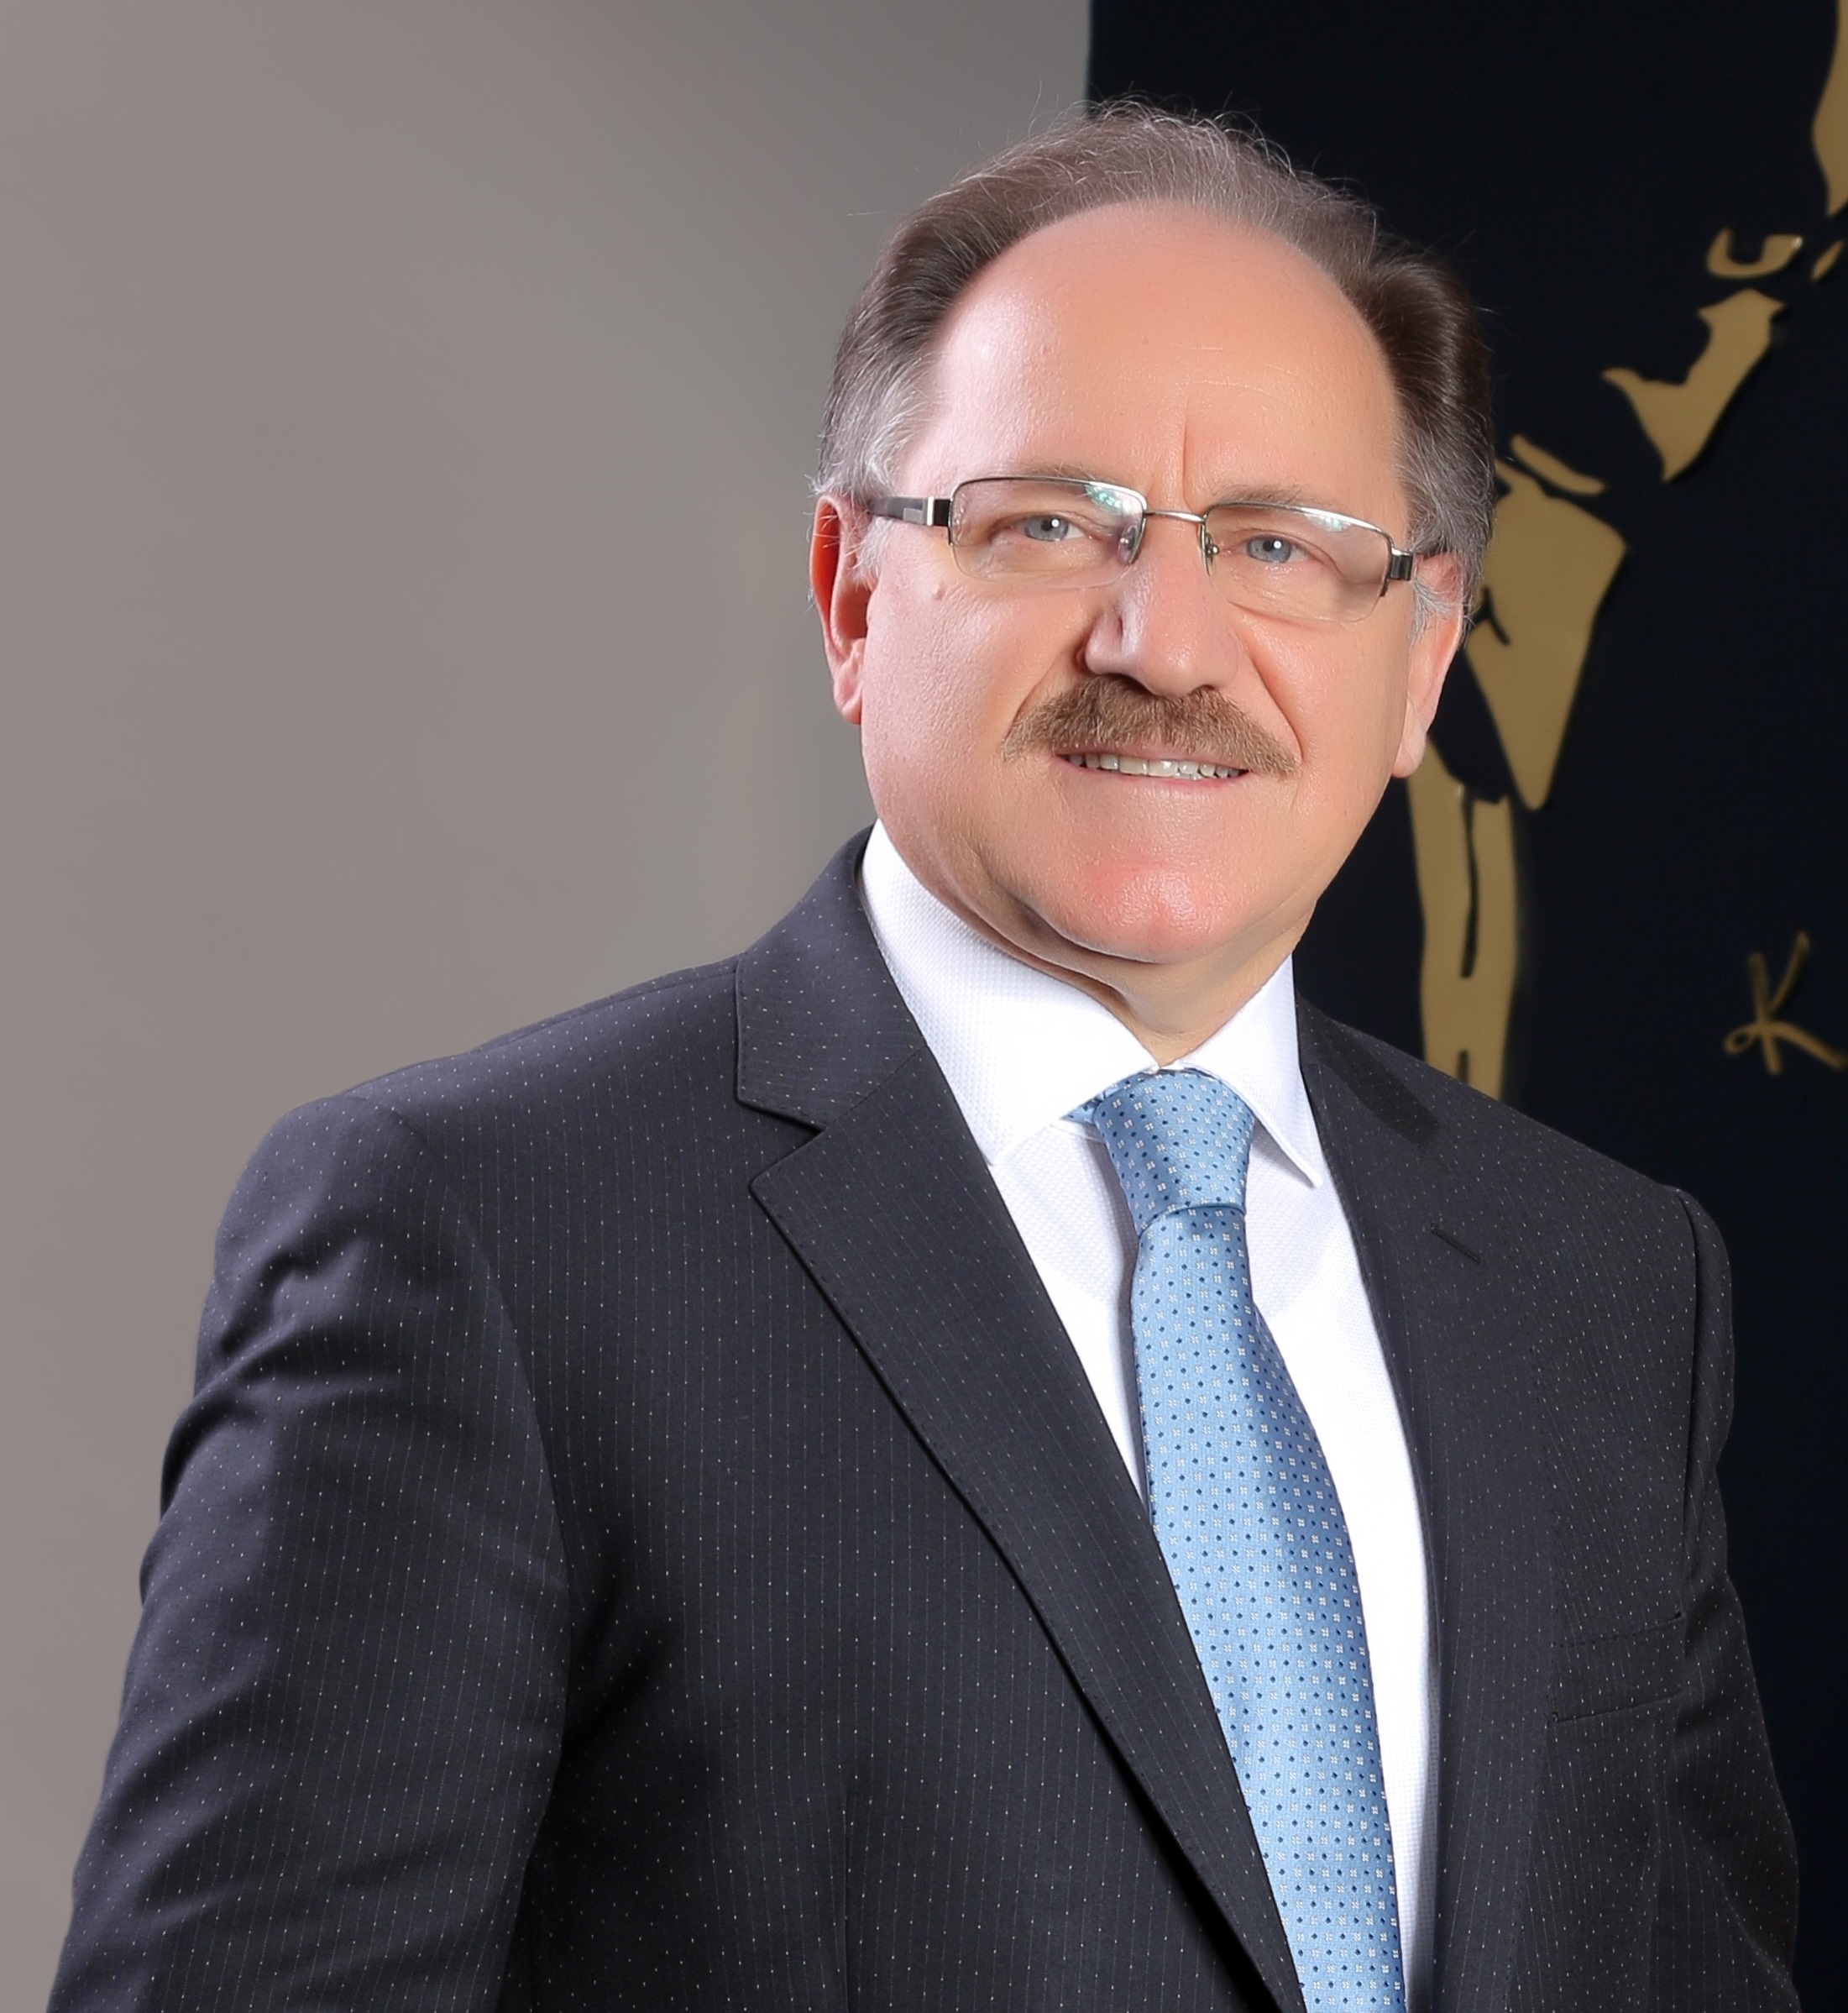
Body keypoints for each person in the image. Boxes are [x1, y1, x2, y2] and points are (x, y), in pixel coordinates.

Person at [50, 110, 1797, 2013]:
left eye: (1278, 547)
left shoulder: (1604, 1287)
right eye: (1047, 522)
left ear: (1426, 655)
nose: (1165, 643)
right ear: (851, 594)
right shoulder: (490, 1239)